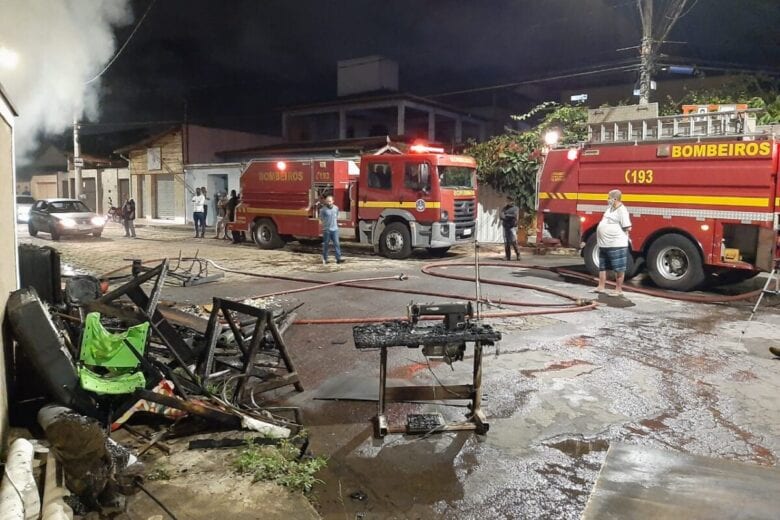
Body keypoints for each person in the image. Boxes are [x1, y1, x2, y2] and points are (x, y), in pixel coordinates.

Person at [594, 189, 632, 296]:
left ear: (615, 199)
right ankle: (601, 286)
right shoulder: (609, 209)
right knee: (602, 266)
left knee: (618, 268)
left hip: (616, 244)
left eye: (609, 197)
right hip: (604, 244)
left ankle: (618, 289)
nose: (607, 200)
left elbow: (627, 227)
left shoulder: (622, 211)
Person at [319, 195, 342, 265]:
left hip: (335, 230)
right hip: (327, 230)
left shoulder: (336, 208)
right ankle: (325, 259)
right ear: (326, 201)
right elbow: (321, 218)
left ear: (333, 201)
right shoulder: (323, 210)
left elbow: (337, 215)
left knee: (337, 244)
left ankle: (338, 259)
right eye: (327, 201)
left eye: (330, 201)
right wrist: (326, 224)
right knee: (326, 245)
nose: (329, 202)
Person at [499, 196, 521, 261]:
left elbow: (515, 216)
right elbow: (501, 216)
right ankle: (508, 256)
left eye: (510, 200)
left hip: (512, 227)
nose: (508, 202)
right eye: (507, 200)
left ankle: (518, 254)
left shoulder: (515, 208)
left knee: (513, 241)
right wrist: (507, 216)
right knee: (506, 242)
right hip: (505, 226)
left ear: (512, 201)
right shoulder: (504, 208)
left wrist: (506, 216)